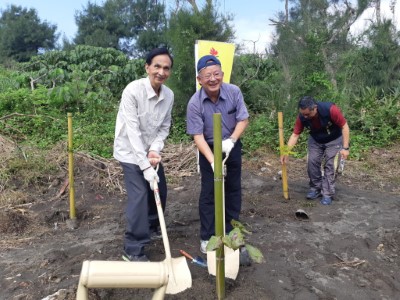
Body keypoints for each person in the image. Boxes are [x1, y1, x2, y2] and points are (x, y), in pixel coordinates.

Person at [113, 48, 174, 262]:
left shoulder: (169, 96)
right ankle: (133, 248)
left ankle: (151, 225)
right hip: (130, 152)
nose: (161, 71)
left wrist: (155, 149)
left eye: (166, 68)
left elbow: (164, 127)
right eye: (157, 66)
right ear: (147, 67)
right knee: (139, 195)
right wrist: (145, 166)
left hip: (150, 151)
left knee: (160, 190)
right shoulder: (132, 90)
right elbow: (132, 131)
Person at [186, 55, 249, 254]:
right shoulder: (194, 103)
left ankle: (232, 233)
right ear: (199, 79)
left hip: (231, 145)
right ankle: (207, 236)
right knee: (209, 192)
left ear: (222, 74)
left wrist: (231, 141)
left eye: (216, 74)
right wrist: (213, 161)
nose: (213, 79)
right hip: (208, 148)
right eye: (207, 76)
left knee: (233, 188)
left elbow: (243, 119)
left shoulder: (234, 92)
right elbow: (197, 136)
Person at [280, 96, 350, 205]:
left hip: (334, 140)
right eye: (303, 114)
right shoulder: (302, 117)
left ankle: (327, 193)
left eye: (308, 114)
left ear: (315, 108)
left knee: (331, 165)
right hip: (316, 140)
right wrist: (286, 152)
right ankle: (316, 188)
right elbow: (295, 135)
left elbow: (344, 126)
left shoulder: (330, 109)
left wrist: (345, 148)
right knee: (311, 162)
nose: (305, 116)